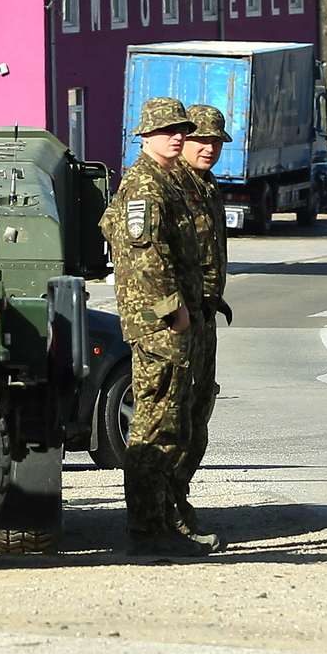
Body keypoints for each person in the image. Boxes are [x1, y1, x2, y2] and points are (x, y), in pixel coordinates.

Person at [99, 96, 217, 558]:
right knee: (155, 423)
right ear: (145, 135)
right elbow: (145, 254)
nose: (179, 137)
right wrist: (173, 309)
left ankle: (165, 518)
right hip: (158, 323)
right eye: (169, 130)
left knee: (180, 418)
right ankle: (148, 530)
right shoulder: (145, 185)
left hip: (178, 319)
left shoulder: (170, 181)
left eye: (181, 129)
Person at [174, 103, 234, 549]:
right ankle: (166, 514)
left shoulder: (207, 187)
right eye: (200, 140)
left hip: (203, 315)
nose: (208, 148)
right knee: (171, 421)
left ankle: (178, 503)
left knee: (197, 418)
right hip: (177, 319)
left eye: (215, 142)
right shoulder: (171, 187)